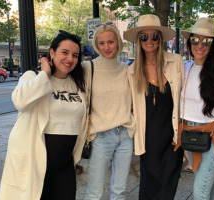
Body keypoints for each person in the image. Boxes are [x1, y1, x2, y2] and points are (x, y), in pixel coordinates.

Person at [0, 30, 88, 200]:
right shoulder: (32, 77)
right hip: (34, 164)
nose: (70, 59)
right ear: (52, 53)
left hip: (65, 166)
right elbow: (20, 102)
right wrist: (45, 74)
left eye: (75, 55)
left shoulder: (77, 84)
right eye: (65, 52)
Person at [124, 14, 184, 200]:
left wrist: (182, 130)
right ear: (139, 40)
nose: (149, 40)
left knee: (168, 186)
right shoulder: (132, 71)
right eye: (144, 36)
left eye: (154, 36)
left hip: (172, 136)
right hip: (148, 139)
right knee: (149, 186)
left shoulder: (176, 62)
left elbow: (183, 99)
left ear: (160, 39)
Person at [176, 17, 214, 199]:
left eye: (206, 41)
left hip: (211, 137)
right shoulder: (184, 68)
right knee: (207, 184)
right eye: (195, 40)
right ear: (189, 42)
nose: (200, 45)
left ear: (213, 45)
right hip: (189, 135)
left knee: (200, 191)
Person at [83, 23, 135, 200]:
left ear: (118, 43)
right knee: (95, 192)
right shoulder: (88, 68)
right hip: (100, 137)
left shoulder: (127, 69)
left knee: (119, 191)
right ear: (96, 44)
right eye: (102, 43)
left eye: (110, 42)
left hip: (125, 136)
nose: (106, 47)